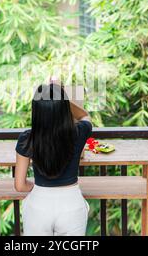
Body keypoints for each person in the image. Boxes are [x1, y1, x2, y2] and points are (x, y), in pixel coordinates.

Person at [14, 81, 92, 236]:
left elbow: (20, 186)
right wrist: (61, 97)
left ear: (37, 110)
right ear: (63, 107)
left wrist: (38, 188)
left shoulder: (27, 138)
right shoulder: (79, 132)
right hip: (72, 206)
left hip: (38, 207)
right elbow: (85, 116)